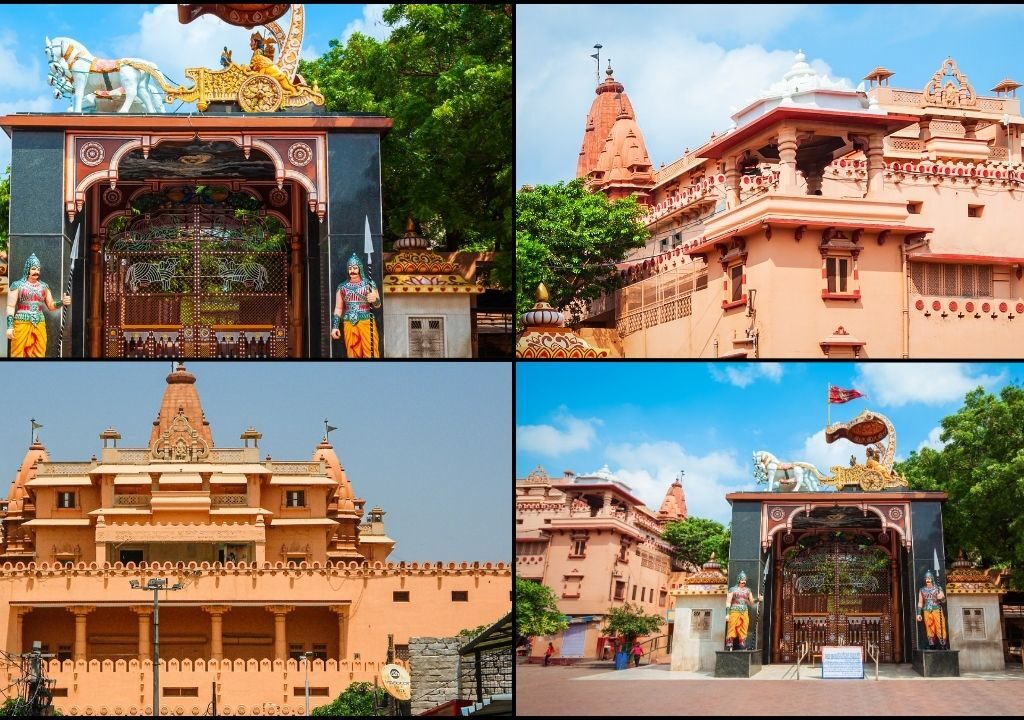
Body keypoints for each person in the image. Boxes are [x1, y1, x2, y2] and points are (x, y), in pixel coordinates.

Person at [6, 253, 71, 358]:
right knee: (17, 352)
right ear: (27, 269)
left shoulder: (44, 286)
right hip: (22, 321)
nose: (36, 272)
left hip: (39, 321)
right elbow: (10, 306)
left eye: (38, 269)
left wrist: (62, 302)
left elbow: (51, 305)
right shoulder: (17, 285)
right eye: (33, 269)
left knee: (40, 351)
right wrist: (9, 326)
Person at [330, 253, 381, 358]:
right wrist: (335, 326)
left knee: (370, 351)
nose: (352, 271)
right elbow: (338, 308)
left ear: (360, 269)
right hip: (349, 322)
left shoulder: (369, 284)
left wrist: (374, 299)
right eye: (350, 268)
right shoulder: (342, 287)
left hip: (366, 320)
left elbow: (378, 305)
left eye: (354, 268)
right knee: (352, 353)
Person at [725, 570, 763, 651]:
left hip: (744, 610)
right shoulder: (732, 589)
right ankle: (729, 641)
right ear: (738, 580)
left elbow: (751, 603)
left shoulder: (748, 590)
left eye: (744, 581)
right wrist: (727, 614)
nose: (743, 582)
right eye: (742, 581)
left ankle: (742, 641)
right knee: (732, 626)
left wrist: (758, 600)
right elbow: (728, 602)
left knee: (744, 626)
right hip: (734, 609)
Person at [917, 569, 948, 649]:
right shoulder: (922, 590)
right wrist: (918, 613)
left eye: (929, 578)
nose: (928, 580)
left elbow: (943, 601)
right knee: (929, 627)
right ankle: (932, 644)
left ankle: (943, 644)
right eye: (927, 579)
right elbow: (920, 602)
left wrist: (941, 597)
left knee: (940, 626)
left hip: (937, 609)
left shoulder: (938, 588)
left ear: (932, 579)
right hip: (926, 610)